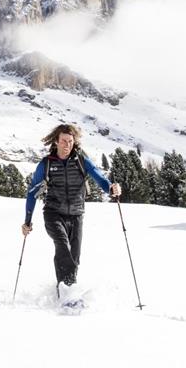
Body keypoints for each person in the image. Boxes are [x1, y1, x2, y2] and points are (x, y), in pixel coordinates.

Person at [22, 124, 121, 296]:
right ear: (56, 141)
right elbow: (32, 192)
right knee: (62, 246)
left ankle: (67, 290)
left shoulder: (82, 161)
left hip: (76, 215)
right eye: (63, 141)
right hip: (53, 213)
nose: (67, 145)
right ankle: (67, 293)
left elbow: (100, 179)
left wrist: (112, 188)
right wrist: (27, 221)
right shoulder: (46, 164)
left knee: (74, 258)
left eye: (70, 141)